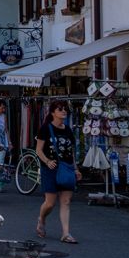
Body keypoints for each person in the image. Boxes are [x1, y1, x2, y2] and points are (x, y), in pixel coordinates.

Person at [36, 100, 80, 244]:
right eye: (60, 109)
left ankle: (66, 233)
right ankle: (41, 219)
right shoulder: (45, 128)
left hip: (66, 167)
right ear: (53, 112)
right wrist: (47, 161)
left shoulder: (67, 129)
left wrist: (75, 168)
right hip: (50, 169)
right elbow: (38, 151)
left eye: (65, 109)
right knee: (50, 203)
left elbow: (71, 151)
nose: (64, 112)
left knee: (66, 201)